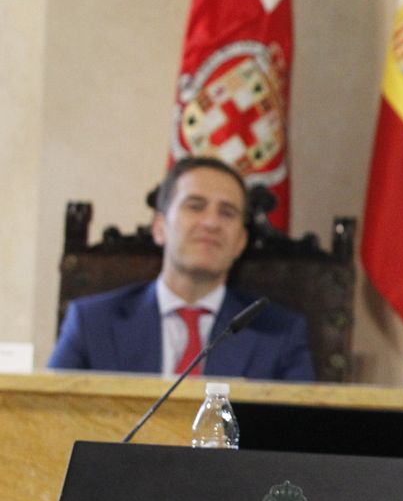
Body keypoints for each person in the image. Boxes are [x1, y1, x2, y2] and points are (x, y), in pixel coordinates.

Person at [48, 156, 314, 381]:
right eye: (195, 206)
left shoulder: (281, 334)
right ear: (159, 228)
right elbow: (49, 423)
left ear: (241, 242)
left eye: (227, 213)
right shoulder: (92, 323)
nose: (211, 223)